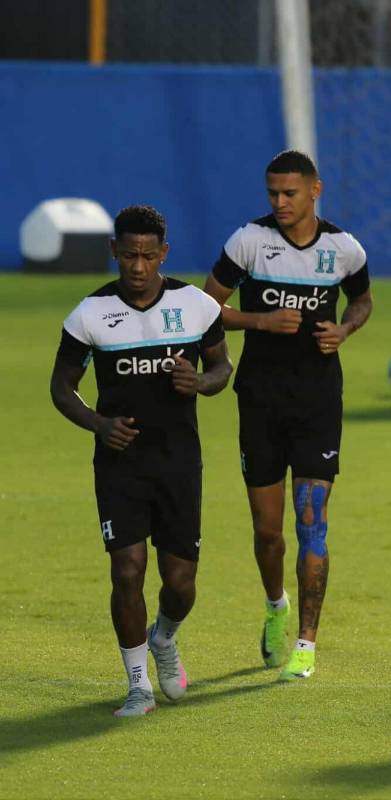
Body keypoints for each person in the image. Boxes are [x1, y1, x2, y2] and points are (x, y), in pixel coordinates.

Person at [50, 205, 231, 716]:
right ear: (114, 250)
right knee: (127, 571)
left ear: (163, 254)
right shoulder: (90, 314)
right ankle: (138, 686)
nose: (137, 266)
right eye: (128, 254)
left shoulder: (196, 306)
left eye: (148, 256)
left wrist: (200, 382)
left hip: (179, 462)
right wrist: (99, 424)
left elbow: (222, 367)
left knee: (180, 583)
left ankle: (164, 637)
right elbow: (61, 387)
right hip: (120, 465)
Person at [204, 150, 373, 682]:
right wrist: (259, 320)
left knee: (312, 524)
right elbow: (206, 309)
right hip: (260, 401)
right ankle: (276, 604)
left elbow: (363, 301)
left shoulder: (344, 249)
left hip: (318, 402)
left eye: (290, 193)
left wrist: (344, 330)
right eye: (273, 193)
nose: (279, 202)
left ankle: (306, 643)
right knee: (268, 532)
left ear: (314, 191)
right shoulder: (249, 242)